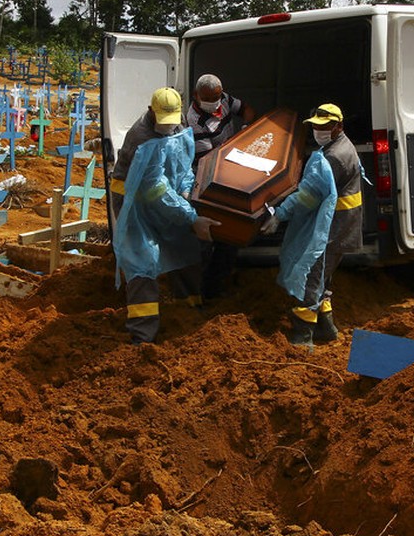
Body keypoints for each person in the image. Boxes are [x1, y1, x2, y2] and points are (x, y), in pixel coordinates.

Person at [110, 87, 217, 343]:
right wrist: (191, 217)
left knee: (184, 246)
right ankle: (142, 334)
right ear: (151, 111)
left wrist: (185, 189)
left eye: (172, 121)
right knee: (142, 259)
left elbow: (182, 164)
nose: (169, 127)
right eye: (163, 121)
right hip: (133, 202)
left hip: (167, 199)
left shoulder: (176, 125)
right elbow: (154, 190)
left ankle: (188, 309)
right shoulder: (141, 139)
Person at [260, 102, 363, 347]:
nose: (319, 131)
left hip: (334, 228)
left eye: (325, 127)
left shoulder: (334, 157)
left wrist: (279, 214)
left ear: (338, 127)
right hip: (341, 225)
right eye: (316, 126)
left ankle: (302, 336)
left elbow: (308, 196)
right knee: (324, 277)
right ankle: (326, 329)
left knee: (312, 277)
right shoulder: (340, 146)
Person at [185, 73, 256, 300]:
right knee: (208, 239)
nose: (215, 103)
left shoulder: (223, 98)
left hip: (232, 166)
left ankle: (221, 281)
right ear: (197, 96)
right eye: (209, 99)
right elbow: (210, 162)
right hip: (209, 182)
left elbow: (247, 109)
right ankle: (205, 292)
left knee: (230, 236)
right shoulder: (195, 121)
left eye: (217, 97)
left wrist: (246, 128)